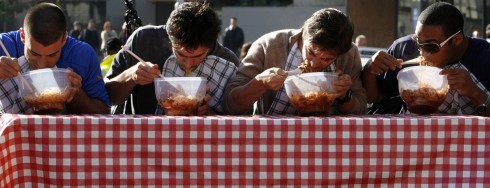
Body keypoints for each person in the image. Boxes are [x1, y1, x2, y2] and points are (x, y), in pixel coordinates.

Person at [223, 8, 367, 115]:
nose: (314, 64)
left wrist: (344, 95)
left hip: (326, 137)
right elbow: (230, 105)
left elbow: (361, 109)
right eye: (311, 53)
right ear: (303, 34)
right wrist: (260, 83)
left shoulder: (349, 55)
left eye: (326, 59)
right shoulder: (268, 46)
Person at [105, 1, 239, 115]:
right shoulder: (144, 41)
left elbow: (241, 116)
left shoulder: (227, 63)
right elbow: (106, 97)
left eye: (197, 56)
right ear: (169, 39)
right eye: (180, 54)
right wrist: (130, 76)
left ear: (212, 44)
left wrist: (209, 113)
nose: (187, 65)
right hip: (142, 138)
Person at [362, 2, 490, 116]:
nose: (422, 52)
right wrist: (370, 69)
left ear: (457, 40)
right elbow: (374, 97)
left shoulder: (485, 57)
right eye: (417, 42)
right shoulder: (403, 48)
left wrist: (475, 93)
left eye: (430, 46)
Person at [0, 3, 110, 114]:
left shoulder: (83, 55)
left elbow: (104, 111)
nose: (42, 65)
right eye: (34, 53)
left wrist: (77, 95)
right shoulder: (4, 45)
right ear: (23, 36)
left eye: (52, 55)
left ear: (64, 40)